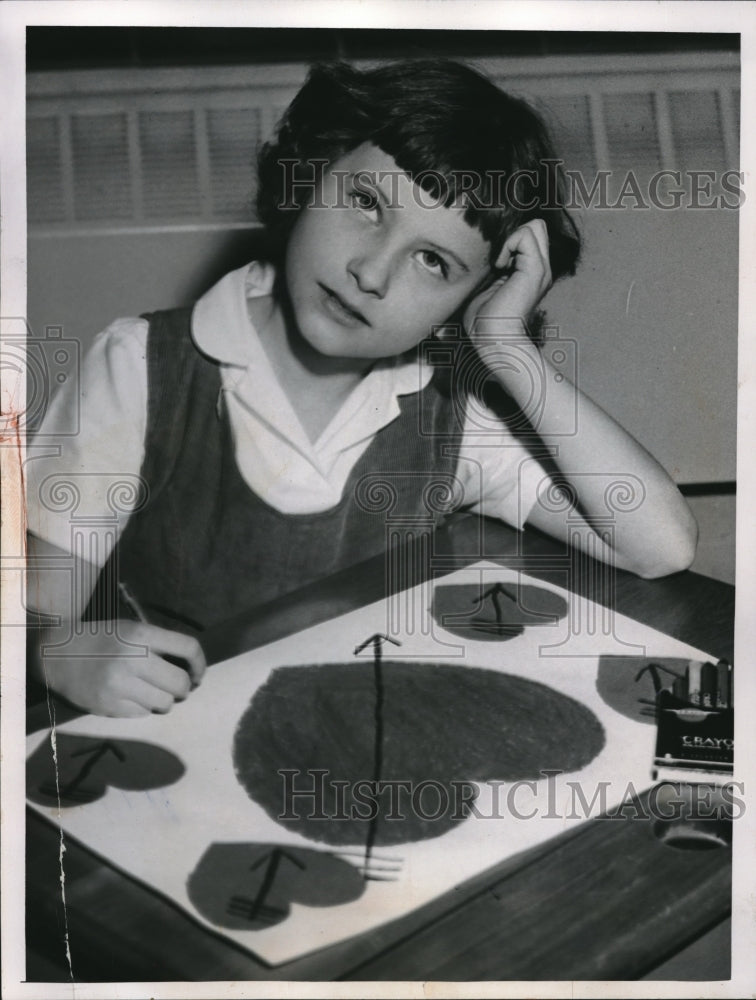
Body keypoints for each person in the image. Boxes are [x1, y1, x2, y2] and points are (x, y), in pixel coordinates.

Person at [26, 60, 698, 718]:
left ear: (474, 296)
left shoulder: (449, 419)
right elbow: (34, 615)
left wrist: (508, 348)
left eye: (432, 261)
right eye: (367, 204)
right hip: (171, 741)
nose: (371, 274)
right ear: (312, 173)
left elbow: (661, 546)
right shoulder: (141, 367)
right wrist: (58, 653)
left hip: (363, 736)